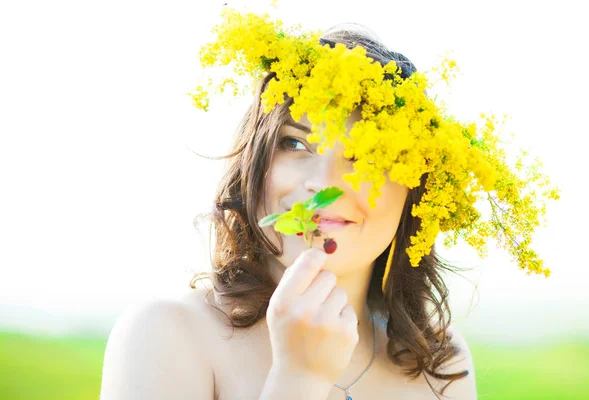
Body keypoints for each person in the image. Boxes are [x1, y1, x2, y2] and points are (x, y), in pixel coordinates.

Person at [99, 19, 479, 400]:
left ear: (417, 191)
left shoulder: (440, 364)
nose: (325, 182)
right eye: (295, 145)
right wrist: (299, 378)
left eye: (366, 157)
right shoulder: (166, 334)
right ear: (253, 159)